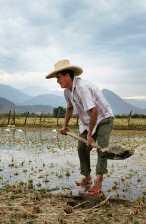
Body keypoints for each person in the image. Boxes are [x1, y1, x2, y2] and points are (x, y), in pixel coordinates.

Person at [46, 59, 114, 195]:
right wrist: (65, 126)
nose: (57, 81)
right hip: (88, 120)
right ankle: (87, 177)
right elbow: (70, 109)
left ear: (67, 76)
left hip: (103, 117)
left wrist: (89, 135)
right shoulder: (67, 92)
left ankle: (98, 183)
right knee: (82, 147)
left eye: (58, 77)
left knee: (103, 149)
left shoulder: (82, 87)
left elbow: (94, 111)